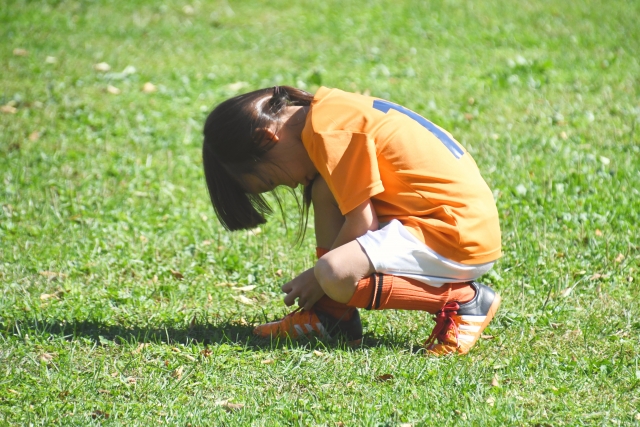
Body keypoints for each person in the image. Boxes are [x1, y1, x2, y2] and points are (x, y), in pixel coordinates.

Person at [202, 85, 502, 355]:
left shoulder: (330, 133)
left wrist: (317, 279)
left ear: (268, 137)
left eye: (272, 179)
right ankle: (332, 316)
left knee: (335, 272)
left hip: (454, 233)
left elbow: (363, 224)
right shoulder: (327, 114)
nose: (291, 185)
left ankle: (464, 300)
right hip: (454, 221)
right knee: (324, 190)